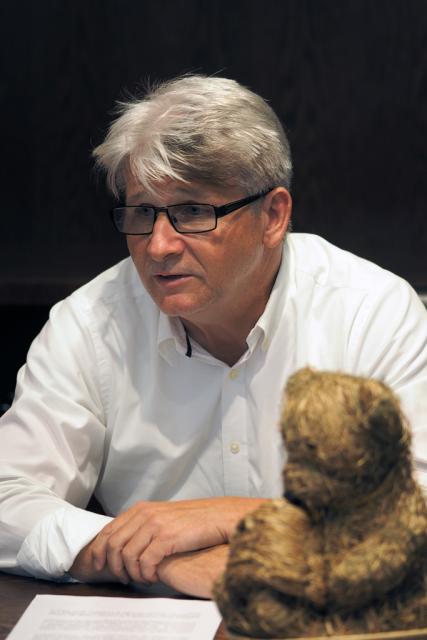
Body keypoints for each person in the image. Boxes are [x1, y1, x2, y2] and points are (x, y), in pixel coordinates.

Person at [1, 75, 426, 598]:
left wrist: (235, 518)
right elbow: (7, 495)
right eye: (143, 213)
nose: (159, 246)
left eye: (192, 212)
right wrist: (155, 560)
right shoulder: (90, 323)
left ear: (274, 216)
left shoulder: (371, 313)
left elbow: (415, 512)